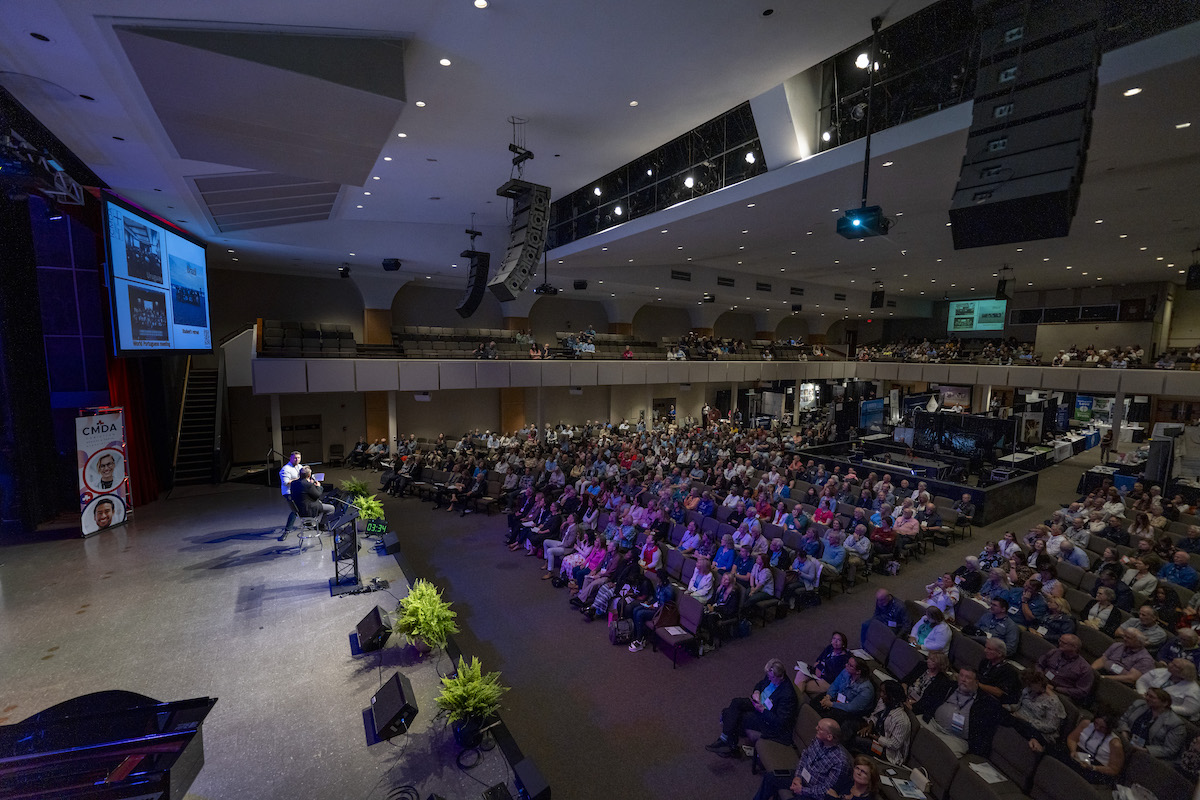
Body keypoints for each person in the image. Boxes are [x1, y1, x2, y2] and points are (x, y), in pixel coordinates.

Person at [707, 658, 800, 756]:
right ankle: (726, 741)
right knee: (736, 702)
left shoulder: (787, 695)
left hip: (767, 719)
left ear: (780, 676)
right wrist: (757, 692)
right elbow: (760, 684)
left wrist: (762, 710)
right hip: (758, 703)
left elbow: (780, 722)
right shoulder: (771, 675)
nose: (769, 679)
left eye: (771, 678)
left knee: (730, 714)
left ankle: (730, 745)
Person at [748, 717, 851, 800]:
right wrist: (797, 776)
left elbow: (826, 790)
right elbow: (805, 755)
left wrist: (802, 790)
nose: (816, 728)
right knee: (770, 777)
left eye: (820, 728)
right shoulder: (818, 740)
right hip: (801, 777)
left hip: (813, 793)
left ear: (829, 737)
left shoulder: (840, 762)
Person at [913, 666, 1001, 757]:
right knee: (911, 723)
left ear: (976, 682)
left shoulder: (985, 703)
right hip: (933, 724)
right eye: (961, 676)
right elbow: (928, 701)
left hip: (956, 739)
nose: (963, 679)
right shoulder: (948, 686)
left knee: (945, 755)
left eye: (968, 677)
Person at [850, 681, 910, 766]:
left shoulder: (902, 720)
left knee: (858, 741)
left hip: (885, 751)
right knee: (851, 725)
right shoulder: (884, 702)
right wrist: (870, 726)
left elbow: (894, 744)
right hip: (874, 734)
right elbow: (875, 715)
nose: (881, 695)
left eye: (884, 693)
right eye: (881, 691)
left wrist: (874, 737)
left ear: (892, 696)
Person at [1117, 687, 1187, 759]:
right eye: (1147, 695)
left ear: (1165, 703)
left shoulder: (1175, 723)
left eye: (1152, 697)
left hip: (1149, 755)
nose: (1147, 698)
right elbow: (1123, 719)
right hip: (1127, 741)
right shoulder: (1139, 704)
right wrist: (1124, 735)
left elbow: (1169, 749)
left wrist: (1143, 750)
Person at [1004, 669, 1065, 749]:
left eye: (1031, 684)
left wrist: (1026, 719)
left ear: (1039, 683)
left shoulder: (1053, 702)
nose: (1028, 686)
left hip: (1039, 732)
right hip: (1019, 719)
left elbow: (1051, 727)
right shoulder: (1028, 690)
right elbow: (1019, 705)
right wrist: (1009, 707)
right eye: (1027, 684)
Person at [1062, 713, 1124, 785]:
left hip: (1097, 766)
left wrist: (1093, 767)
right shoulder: (1086, 724)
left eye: (1102, 727)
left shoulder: (1114, 743)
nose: (1097, 728)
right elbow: (1072, 739)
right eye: (1096, 723)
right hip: (1078, 753)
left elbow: (1114, 769)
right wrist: (1073, 751)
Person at [811, 657, 875, 726]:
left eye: (850, 665)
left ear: (858, 672)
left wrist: (831, 704)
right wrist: (828, 696)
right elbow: (835, 685)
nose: (846, 665)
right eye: (848, 663)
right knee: (815, 703)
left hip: (850, 712)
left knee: (828, 716)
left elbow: (852, 707)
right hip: (837, 699)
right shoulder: (846, 672)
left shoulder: (866, 689)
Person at [1134, 658, 1200, 721]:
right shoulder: (1162, 671)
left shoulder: (1193, 689)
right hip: (1147, 702)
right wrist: (1142, 692)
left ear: (1183, 672)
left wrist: (1164, 706)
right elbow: (1142, 681)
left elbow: (1190, 710)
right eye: (1172, 662)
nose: (1170, 664)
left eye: (1175, 665)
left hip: (1173, 715)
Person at [1036, 634, 1095, 702]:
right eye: (1060, 641)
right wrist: (1040, 676)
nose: (1060, 644)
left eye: (1064, 643)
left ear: (1074, 647)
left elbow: (1081, 691)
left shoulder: (1084, 668)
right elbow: (1039, 664)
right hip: (1042, 682)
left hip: (1061, 693)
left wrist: (1056, 688)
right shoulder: (1054, 652)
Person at [628, 571, 675, 653]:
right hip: (655, 606)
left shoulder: (668, 590)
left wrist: (653, 607)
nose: (657, 581)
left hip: (661, 612)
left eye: (659, 580)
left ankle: (640, 641)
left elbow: (664, 606)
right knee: (636, 609)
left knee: (640, 614)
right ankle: (637, 634)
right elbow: (656, 598)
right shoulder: (659, 585)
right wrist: (649, 603)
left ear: (663, 580)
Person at [795, 631, 851, 697]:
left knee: (804, 686)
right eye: (834, 638)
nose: (835, 641)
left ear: (843, 644)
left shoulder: (843, 659)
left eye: (838, 640)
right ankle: (793, 700)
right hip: (818, 674)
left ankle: (793, 700)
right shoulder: (830, 648)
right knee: (800, 673)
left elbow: (831, 676)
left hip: (827, 681)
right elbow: (817, 661)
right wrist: (820, 668)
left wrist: (820, 669)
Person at [975, 638, 1021, 704]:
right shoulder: (985, 661)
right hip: (978, 692)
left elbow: (999, 692)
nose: (985, 650)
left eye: (989, 649)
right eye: (986, 647)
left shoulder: (1009, 671)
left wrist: (977, 685)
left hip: (993, 701)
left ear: (999, 653)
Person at [279, 450, 303, 529]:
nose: (297, 460)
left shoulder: (300, 466)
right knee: (295, 510)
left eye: (298, 458)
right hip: (288, 492)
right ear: (290, 458)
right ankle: (288, 529)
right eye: (295, 458)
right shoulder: (285, 469)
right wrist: (298, 479)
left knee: (304, 506)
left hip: (297, 491)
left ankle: (307, 523)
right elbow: (286, 482)